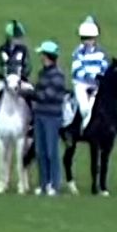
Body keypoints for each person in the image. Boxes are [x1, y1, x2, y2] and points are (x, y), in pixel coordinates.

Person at [31, 41, 69, 196]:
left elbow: (47, 95)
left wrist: (30, 94)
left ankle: (54, 183)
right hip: (40, 114)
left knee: (51, 151)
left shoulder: (57, 76)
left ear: (48, 56)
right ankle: (43, 182)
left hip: (51, 117)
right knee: (40, 151)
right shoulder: (43, 73)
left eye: (42, 55)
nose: (41, 57)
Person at [0, 20, 32, 138]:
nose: (19, 39)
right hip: (5, 81)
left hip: (20, 80)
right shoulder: (1, 50)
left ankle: (31, 125)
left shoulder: (23, 50)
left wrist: (23, 76)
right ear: (9, 37)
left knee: (32, 97)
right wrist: (2, 76)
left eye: (19, 37)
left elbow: (28, 65)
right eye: (16, 37)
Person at [69, 17, 108, 128]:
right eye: (84, 38)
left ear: (94, 38)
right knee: (85, 108)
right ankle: (80, 129)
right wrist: (91, 77)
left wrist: (100, 79)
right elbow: (77, 70)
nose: (87, 41)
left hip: (97, 85)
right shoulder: (78, 52)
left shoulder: (101, 52)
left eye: (89, 38)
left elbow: (104, 67)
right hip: (81, 84)